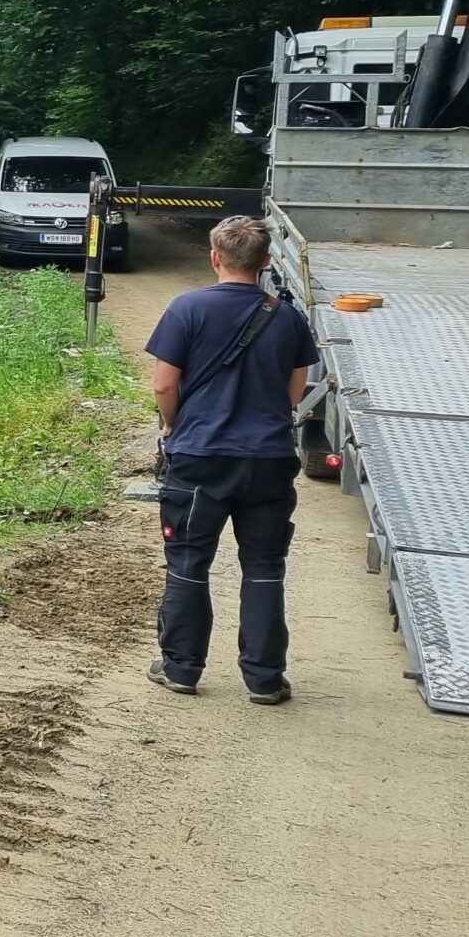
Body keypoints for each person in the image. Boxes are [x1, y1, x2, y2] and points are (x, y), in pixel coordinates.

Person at [143, 214, 318, 704]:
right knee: (263, 565)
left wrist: (172, 423)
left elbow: (163, 382)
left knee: (188, 562)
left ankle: (181, 667)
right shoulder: (286, 317)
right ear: (265, 263)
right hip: (266, 457)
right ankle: (264, 678)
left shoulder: (186, 309)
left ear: (215, 256)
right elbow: (294, 392)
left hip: (200, 456)